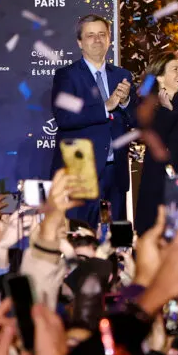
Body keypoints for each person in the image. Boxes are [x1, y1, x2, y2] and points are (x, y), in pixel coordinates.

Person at [49, 14, 135, 225]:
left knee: (116, 240)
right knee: (80, 237)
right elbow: (65, 117)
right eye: (90, 35)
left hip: (116, 173)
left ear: (109, 39)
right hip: (81, 172)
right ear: (80, 42)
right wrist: (106, 106)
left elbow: (137, 119)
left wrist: (125, 102)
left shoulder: (122, 75)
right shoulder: (67, 76)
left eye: (102, 35)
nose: (97, 40)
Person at [133, 52, 178, 236]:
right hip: (158, 181)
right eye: (175, 69)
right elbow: (155, 138)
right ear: (160, 77)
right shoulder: (146, 103)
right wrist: (166, 111)